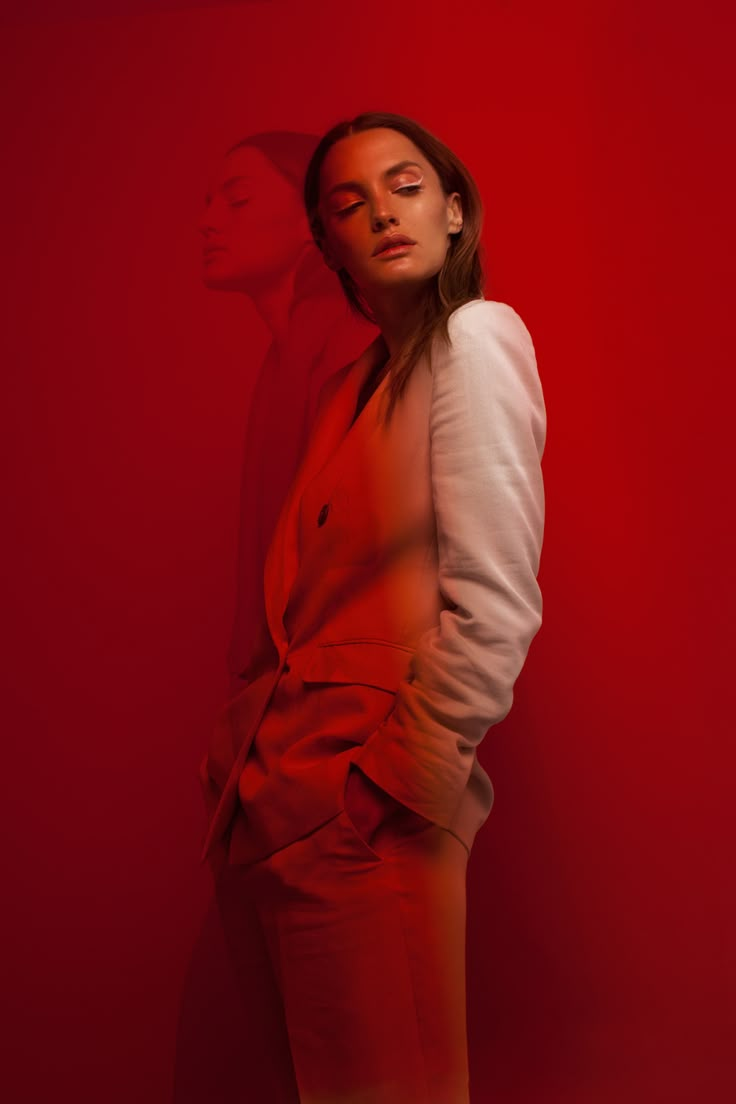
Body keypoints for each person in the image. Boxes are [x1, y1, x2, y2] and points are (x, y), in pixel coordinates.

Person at [199, 110, 547, 1103]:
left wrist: (396, 785)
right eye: (348, 203)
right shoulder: (345, 382)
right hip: (273, 808)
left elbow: (496, 596)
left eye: (404, 185)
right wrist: (242, 768)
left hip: (368, 810)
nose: (381, 213)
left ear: (451, 208)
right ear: (328, 244)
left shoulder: (476, 340)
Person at [199, 131, 377, 697]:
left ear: (314, 221)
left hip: (336, 699)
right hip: (293, 693)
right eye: (210, 202)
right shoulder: (286, 355)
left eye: (239, 199)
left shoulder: (348, 344)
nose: (208, 221)